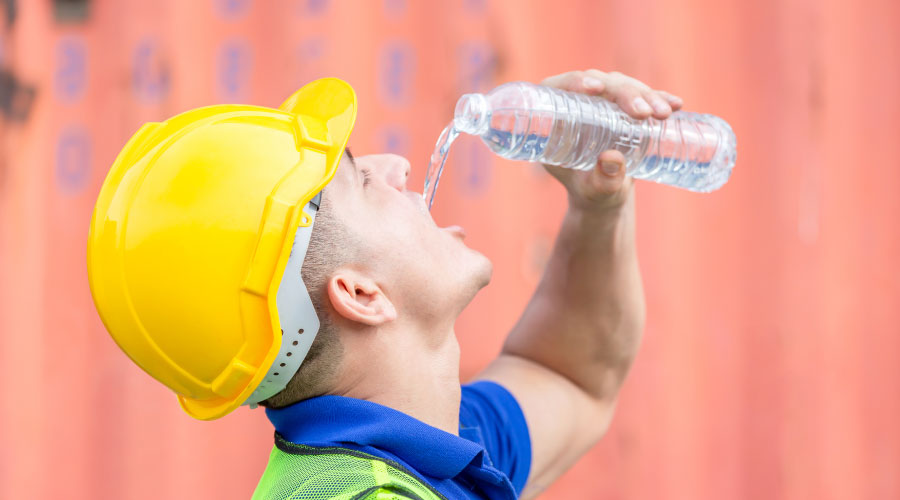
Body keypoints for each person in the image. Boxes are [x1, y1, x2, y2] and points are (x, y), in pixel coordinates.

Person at [87, 69, 683, 499]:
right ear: (361, 294)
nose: (395, 165)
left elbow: (573, 380)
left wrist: (597, 205)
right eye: (362, 182)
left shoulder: (418, 451)